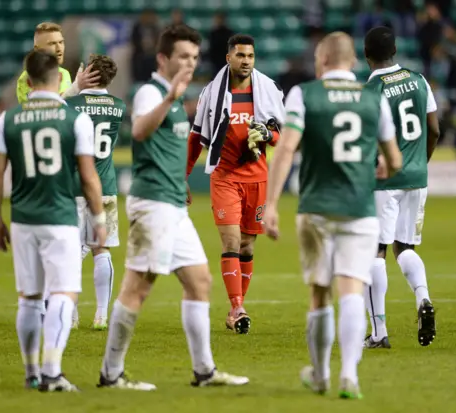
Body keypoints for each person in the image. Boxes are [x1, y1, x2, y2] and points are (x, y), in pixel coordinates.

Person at [97, 24, 249, 391]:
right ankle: (111, 373)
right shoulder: (152, 93)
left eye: (195, 57)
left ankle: (204, 371)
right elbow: (139, 131)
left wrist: (180, 182)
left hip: (172, 206)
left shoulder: (174, 96)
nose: (190, 63)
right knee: (137, 289)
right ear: (163, 58)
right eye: (183, 56)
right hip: (153, 207)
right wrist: (170, 99)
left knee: (200, 282)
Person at [262, 32, 402, 399]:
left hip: (316, 208)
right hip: (359, 208)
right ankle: (350, 377)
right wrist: (381, 168)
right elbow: (394, 161)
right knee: (352, 290)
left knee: (320, 293)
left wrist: (272, 204)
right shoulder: (374, 98)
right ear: (353, 62)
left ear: (320, 60)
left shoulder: (304, 94)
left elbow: (286, 149)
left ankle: (322, 373)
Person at [0, 49, 105, 392]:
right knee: (64, 294)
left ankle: (31, 372)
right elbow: (88, 177)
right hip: (60, 218)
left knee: (29, 298)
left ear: (26, 80)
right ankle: (52, 372)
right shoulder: (74, 119)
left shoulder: (8, 118)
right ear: (58, 79)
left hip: (23, 220)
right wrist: (98, 217)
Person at [186, 34, 285, 334]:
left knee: (247, 245)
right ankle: (237, 306)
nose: (246, 61)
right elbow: (197, 138)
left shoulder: (267, 90)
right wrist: (182, 177)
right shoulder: (212, 93)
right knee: (230, 241)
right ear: (228, 57)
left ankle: (236, 306)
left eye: (250, 56)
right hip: (225, 177)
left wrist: (268, 136)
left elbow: (279, 133)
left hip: (257, 177)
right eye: (241, 55)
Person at [362, 26, 440, 349]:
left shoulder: (372, 88)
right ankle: (423, 298)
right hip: (417, 176)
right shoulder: (419, 79)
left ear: (367, 56)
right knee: (405, 248)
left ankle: (379, 333)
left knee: (374, 251)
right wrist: (421, 162)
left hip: (385, 179)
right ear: (394, 50)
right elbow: (434, 128)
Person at [65, 54, 126, 330]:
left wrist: (75, 86)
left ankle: (72, 314)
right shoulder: (119, 105)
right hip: (106, 186)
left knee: (70, 251)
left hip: (75, 185)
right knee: (101, 249)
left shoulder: (71, 104)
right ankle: (101, 315)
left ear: (86, 71)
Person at [16, 22, 99, 104]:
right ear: (37, 49)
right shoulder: (28, 77)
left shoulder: (65, 73)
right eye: (52, 43)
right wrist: (75, 88)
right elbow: (40, 108)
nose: (59, 48)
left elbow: (65, 107)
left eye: (61, 42)